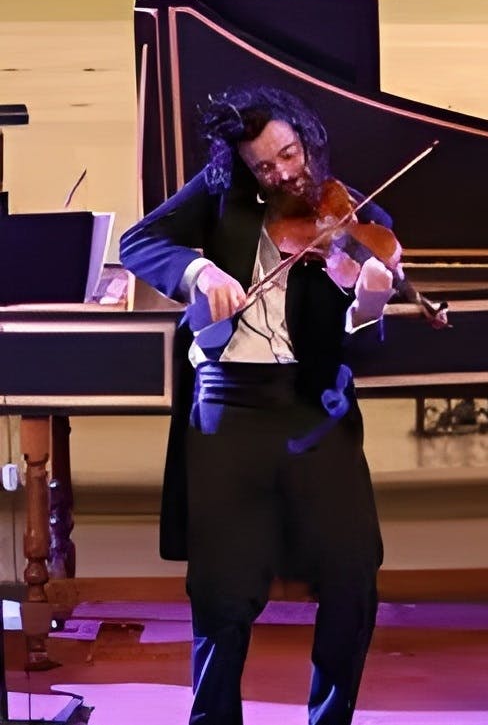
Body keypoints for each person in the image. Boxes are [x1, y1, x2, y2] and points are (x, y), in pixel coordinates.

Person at [120, 85, 437, 725]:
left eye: (289, 154)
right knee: (222, 591)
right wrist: (199, 273)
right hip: (229, 404)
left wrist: (369, 300)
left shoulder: (354, 218)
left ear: (306, 138)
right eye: (265, 166)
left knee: (352, 576)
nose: (284, 173)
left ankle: (330, 719)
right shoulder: (219, 194)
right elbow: (139, 242)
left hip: (313, 405)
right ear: (243, 165)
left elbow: (362, 345)